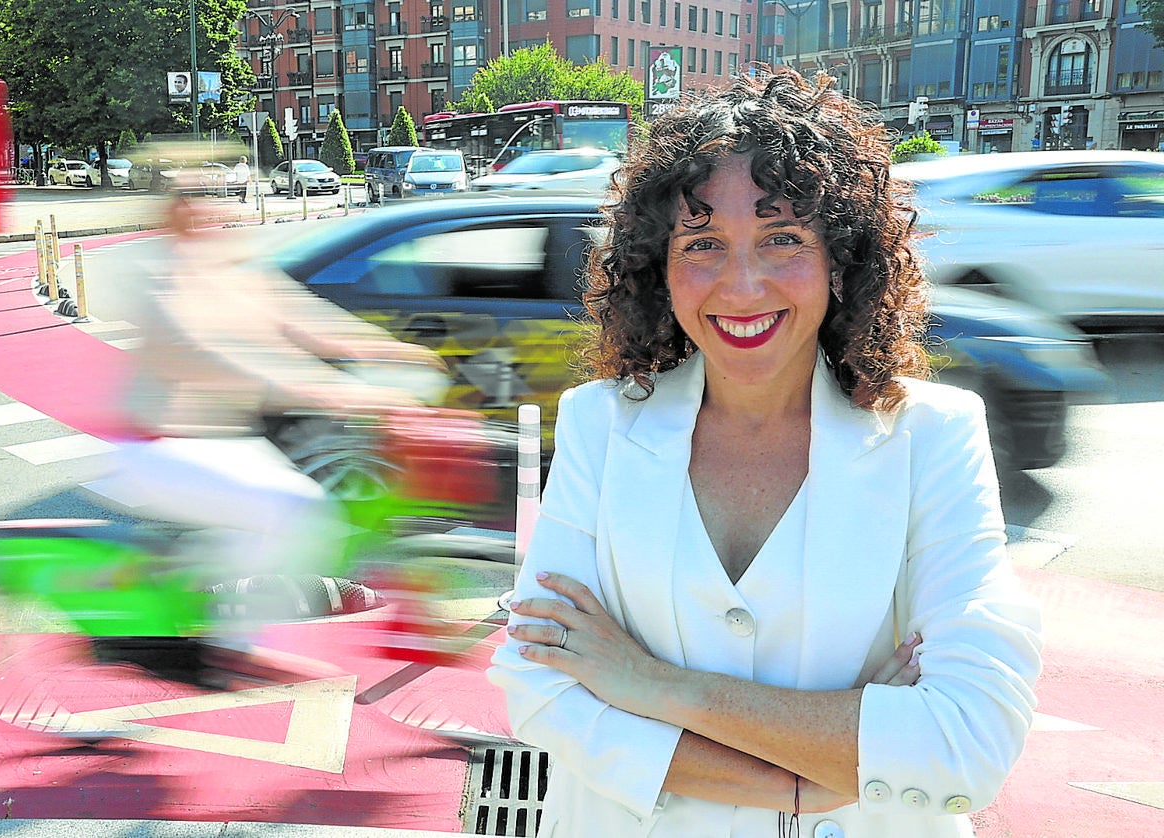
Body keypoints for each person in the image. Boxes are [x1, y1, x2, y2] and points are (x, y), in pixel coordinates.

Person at [488, 68, 1042, 837]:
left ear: (842, 262)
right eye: (703, 242)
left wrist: (644, 682)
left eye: (783, 238)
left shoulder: (933, 439)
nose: (741, 285)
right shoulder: (599, 425)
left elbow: (965, 743)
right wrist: (806, 779)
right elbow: (538, 689)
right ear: (659, 266)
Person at [114, 196, 449, 642]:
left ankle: (205, 623)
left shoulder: (246, 280)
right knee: (299, 511)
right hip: (161, 448)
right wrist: (341, 393)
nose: (219, 224)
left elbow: (316, 325)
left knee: (273, 530)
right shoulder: (169, 288)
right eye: (200, 218)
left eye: (222, 213)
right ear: (177, 226)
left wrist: (397, 352)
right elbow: (218, 362)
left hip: (232, 445)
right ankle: (217, 632)